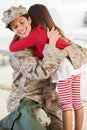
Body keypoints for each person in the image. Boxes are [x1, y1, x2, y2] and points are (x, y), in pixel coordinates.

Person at [2, 4, 86, 130]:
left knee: (66, 104)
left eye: (22, 22)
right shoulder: (47, 31)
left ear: (31, 19)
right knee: (76, 101)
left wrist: (16, 37)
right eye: (15, 27)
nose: (20, 28)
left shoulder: (36, 34)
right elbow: (41, 71)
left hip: (63, 69)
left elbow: (12, 47)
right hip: (71, 68)